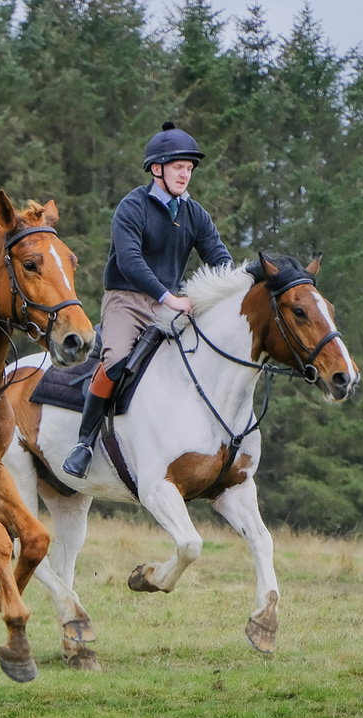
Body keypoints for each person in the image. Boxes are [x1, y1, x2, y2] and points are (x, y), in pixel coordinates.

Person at [62, 122, 234, 478]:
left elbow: (218, 256)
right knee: (116, 361)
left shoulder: (195, 214)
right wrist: (168, 296)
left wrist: (234, 285)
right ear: (157, 169)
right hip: (126, 299)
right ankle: (83, 442)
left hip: (168, 304)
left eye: (189, 168)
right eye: (178, 167)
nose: (185, 175)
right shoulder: (132, 206)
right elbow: (130, 261)